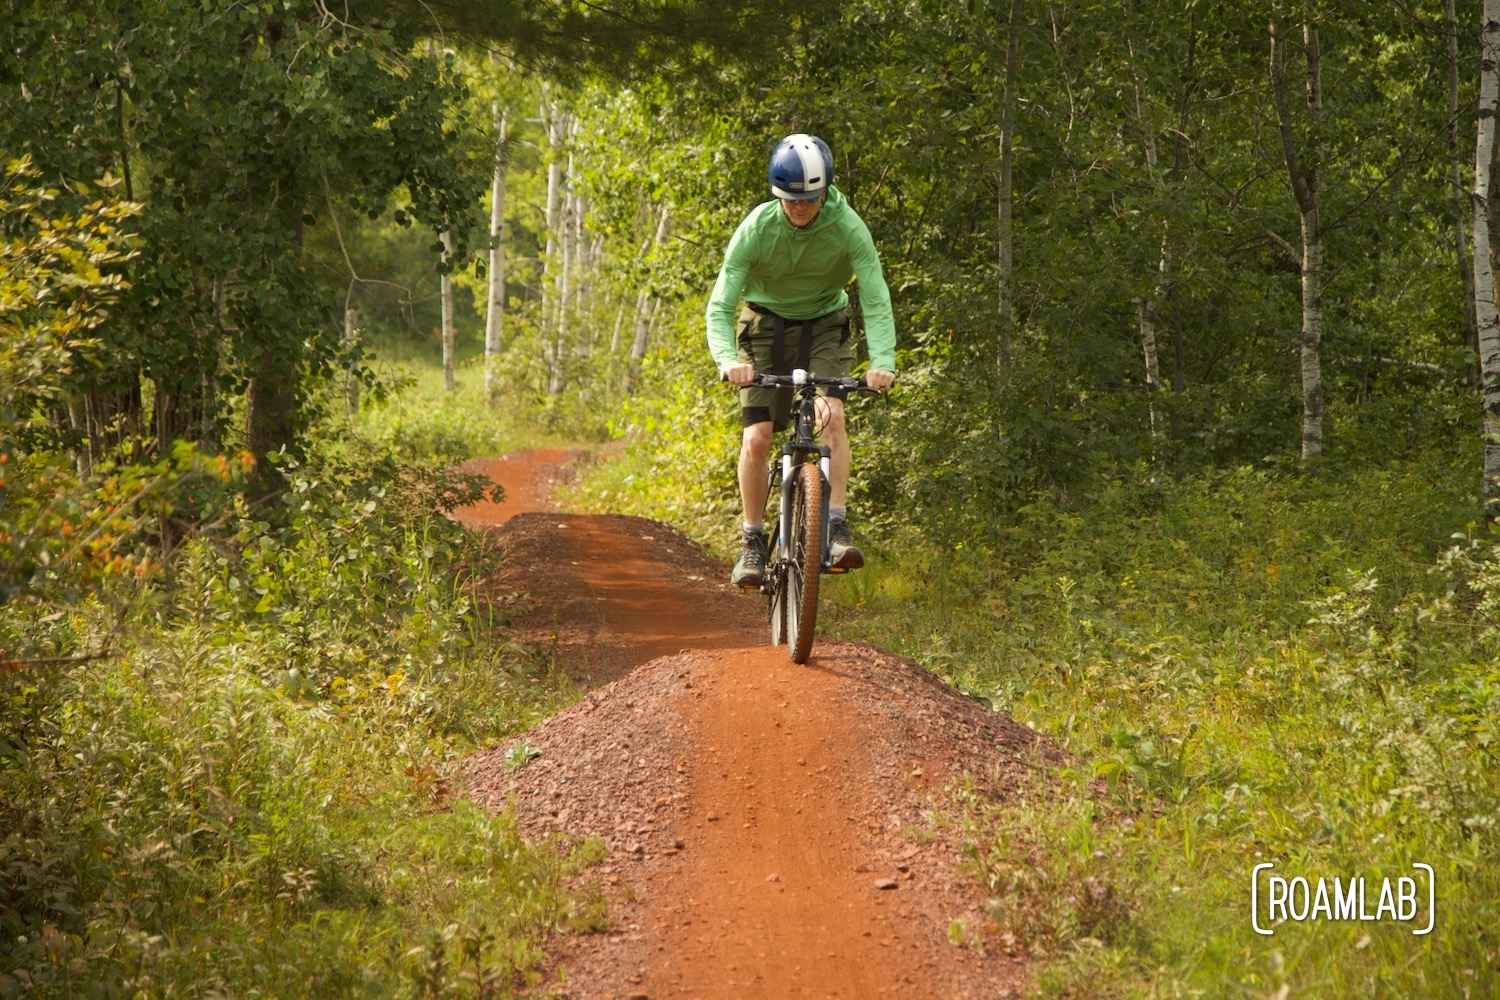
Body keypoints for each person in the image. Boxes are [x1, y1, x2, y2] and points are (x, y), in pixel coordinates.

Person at [705, 133, 898, 589]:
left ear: (825, 190)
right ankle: (752, 541)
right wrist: (727, 359)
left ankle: (835, 527)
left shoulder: (848, 226)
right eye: (790, 200)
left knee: (831, 421)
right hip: (762, 327)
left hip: (824, 327)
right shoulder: (756, 228)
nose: (800, 208)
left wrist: (883, 361)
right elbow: (720, 304)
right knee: (757, 437)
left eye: (809, 199)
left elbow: (874, 295)